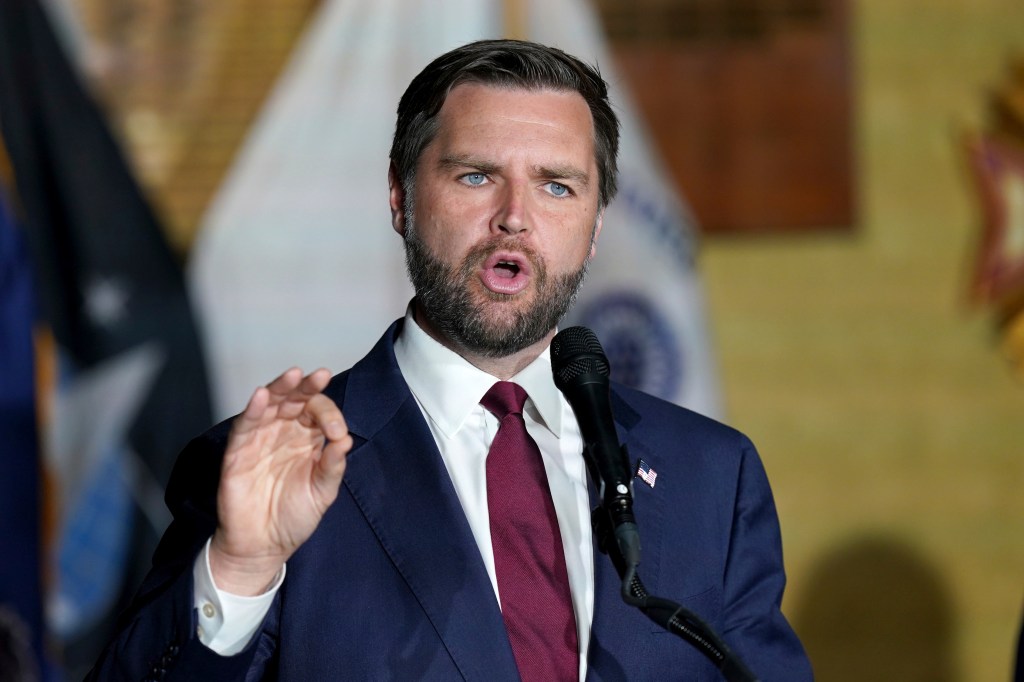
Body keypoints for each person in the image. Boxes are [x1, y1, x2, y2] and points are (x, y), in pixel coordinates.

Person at [86, 39, 812, 681]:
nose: (515, 217)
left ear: (593, 230)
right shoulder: (270, 473)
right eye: (475, 176)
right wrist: (241, 571)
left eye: (557, 186)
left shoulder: (710, 478)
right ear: (401, 199)